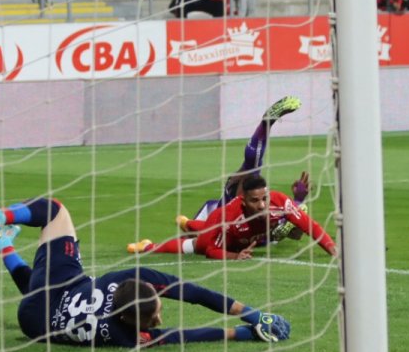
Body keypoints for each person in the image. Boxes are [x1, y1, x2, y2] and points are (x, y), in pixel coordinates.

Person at [0, 188, 291, 347]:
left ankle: (3, 215)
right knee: (39, 295)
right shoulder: (125, 335)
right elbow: (181, 329)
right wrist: (245, 327)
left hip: (62, 292)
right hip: (32, 321)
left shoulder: (128, 279)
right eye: (155, 316)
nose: (159, 318)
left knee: (55, 212)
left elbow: (188, 307)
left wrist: (251, 319)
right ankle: (5, 245)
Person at [128, 97, 311, 253]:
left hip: (241, 226)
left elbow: (297, 234)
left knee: (196, 242)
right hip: (230, 218)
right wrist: (298, 201)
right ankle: (267, 122)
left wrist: (299, 201)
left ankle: (154, 243)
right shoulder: (241, 211)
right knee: (201, 238)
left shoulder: (263, 215)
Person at [128, 172, 336, 260]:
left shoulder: (279, 202)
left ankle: (188, 223)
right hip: (221, 234)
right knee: (193, 246)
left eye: (264, 198)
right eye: (255, 201)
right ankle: (147, 246)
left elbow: (311, 226)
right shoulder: (229, 215)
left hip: (248, 237)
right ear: (244, 201)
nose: (262, 205)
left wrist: (333, 250)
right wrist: (235, 256)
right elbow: (211, 250)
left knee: (294, 223)